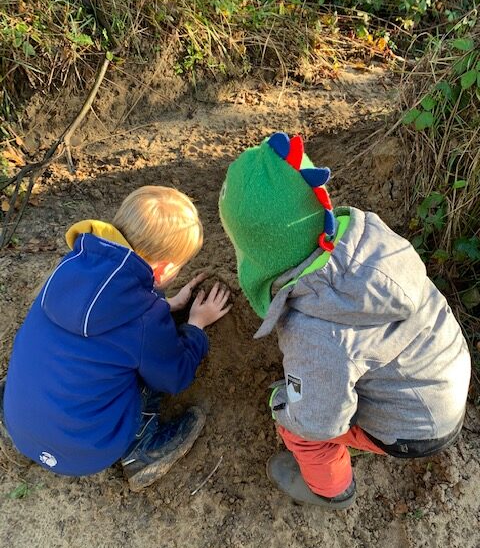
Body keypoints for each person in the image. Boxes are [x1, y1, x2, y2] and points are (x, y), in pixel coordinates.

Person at [219, 132, 471, 510]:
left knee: (297, 428)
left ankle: (330, 489)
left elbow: (318, 421)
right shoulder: (367, 235)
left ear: (260, 251)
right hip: (443, 376)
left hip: (415, 429)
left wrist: (285, 403)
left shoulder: (315, 334)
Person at [1, 185, 231, 491]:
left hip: (20, 424)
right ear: (163, 270)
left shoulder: (70, 268)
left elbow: (109, 317)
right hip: (85, 451)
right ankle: (141, 450)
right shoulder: (145, 320)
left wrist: (161, 305)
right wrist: (195, 326)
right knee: (146, 370)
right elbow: (174, 376)